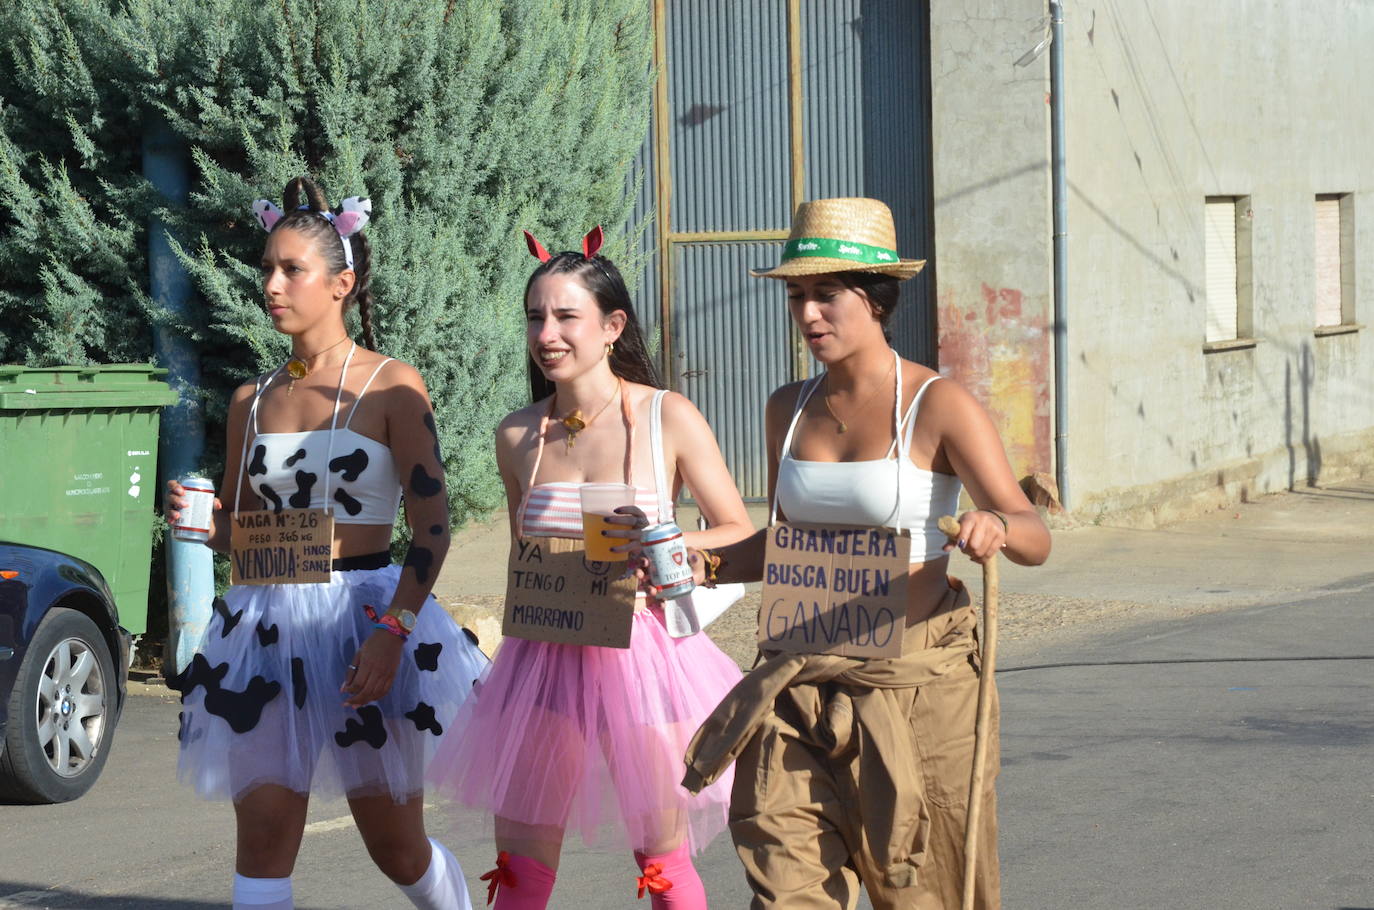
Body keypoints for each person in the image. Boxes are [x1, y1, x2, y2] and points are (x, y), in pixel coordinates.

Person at [673, 197, 1051, 909]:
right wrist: (703, 560)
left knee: (925, 889)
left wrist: (993, 526)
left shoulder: (939, 405)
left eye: (826, 295)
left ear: (876, 300)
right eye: (797, 296)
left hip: (915, 685)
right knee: (786, 889)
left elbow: (1033, 533)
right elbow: (786, 548)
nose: (809, 314)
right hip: (797, 680)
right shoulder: (787, 408)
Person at [166, 176, 487, 910]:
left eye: (291, 270)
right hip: (267, 627)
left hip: (366, 620)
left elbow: (432, 529)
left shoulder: (390, 386)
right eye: (267, 270)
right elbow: (246, 536)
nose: (271, 286)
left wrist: (391, 631)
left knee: (395, 847)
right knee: (264, 843)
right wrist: (202, 525)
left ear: (341, 284)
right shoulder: (250, 399)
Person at [428, 227, 753, 909]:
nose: (547, 333)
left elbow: (738, 532)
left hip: (646, 657)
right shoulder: (517, 434)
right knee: (517, 866)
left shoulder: (666, 416)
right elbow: (528, 555)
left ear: (612, 326)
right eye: (535, 317)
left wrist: (671, 543)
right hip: (541, 659)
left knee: (663, 863)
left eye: (566, 316)